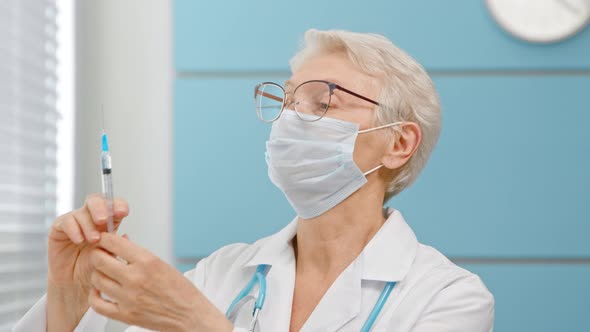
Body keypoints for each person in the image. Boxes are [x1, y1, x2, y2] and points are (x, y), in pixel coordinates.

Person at [14, 29, 494, 332]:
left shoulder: (449, 299)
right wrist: (68, 294)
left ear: (398, 143)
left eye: (322, 101)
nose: (291, 119)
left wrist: (198, 324)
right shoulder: (223, 274)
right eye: (285, 101)